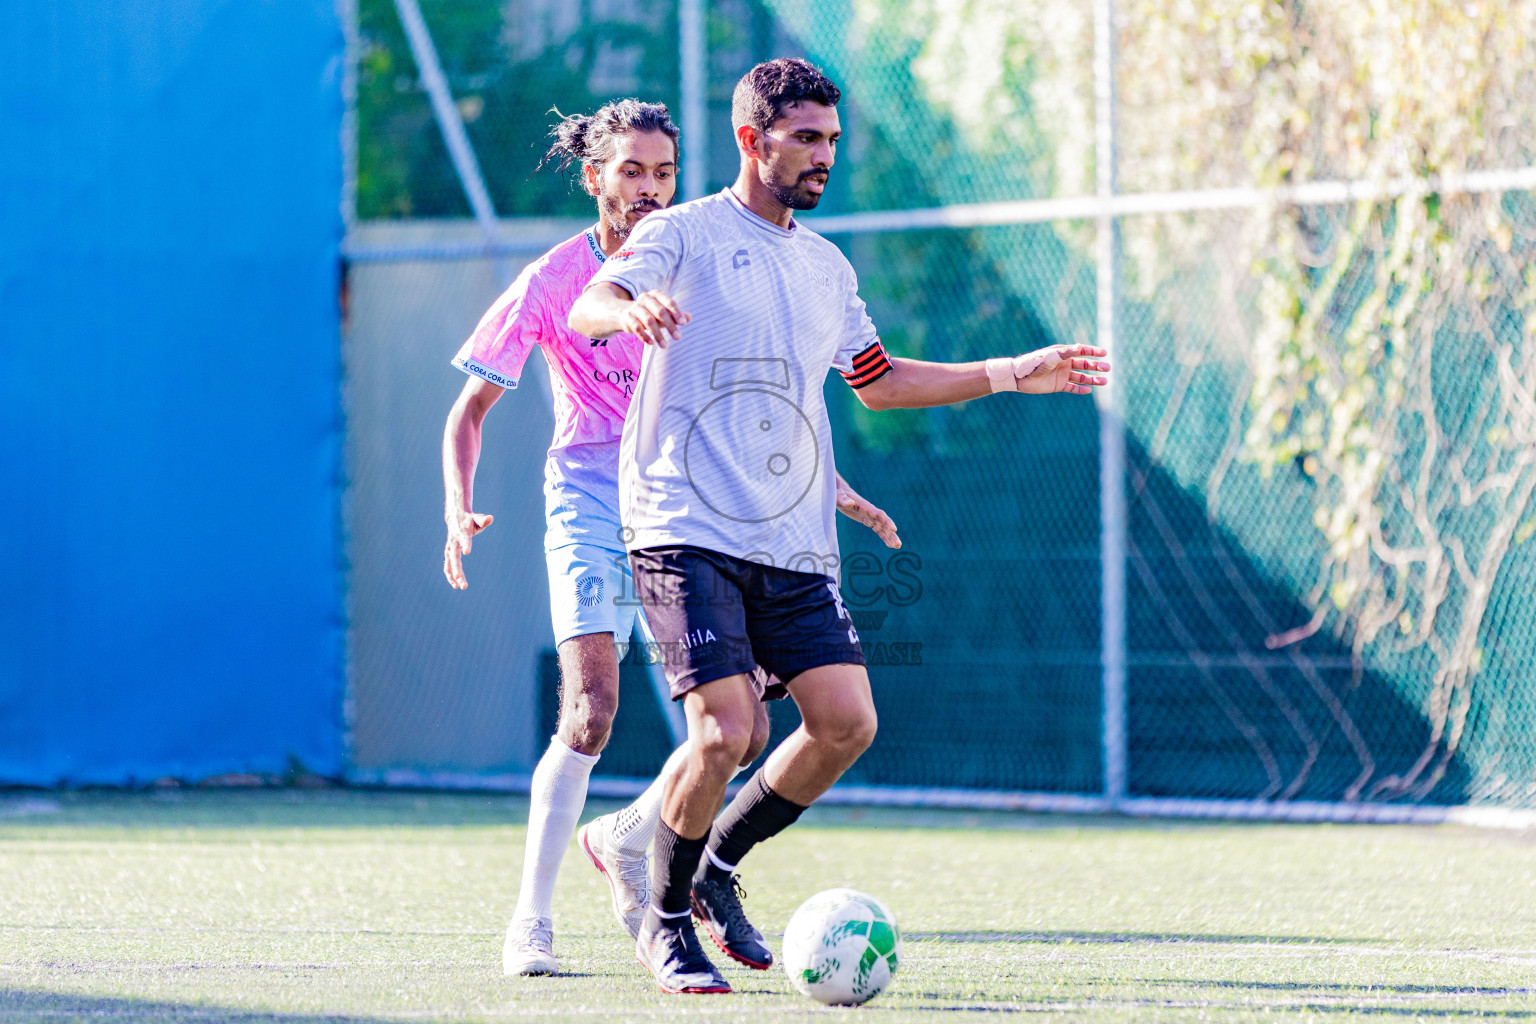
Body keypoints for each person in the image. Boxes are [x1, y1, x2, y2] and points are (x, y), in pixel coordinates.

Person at [568, 58, 1111, 994]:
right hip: (681, 524)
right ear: (752, 140)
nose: (824, 157)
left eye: (832, 140)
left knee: (847, 722)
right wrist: (629, 306)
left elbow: (880, 380)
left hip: (791, 540)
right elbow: (591, 304)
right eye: (806, 139)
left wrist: (1012, 370)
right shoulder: (681, 233)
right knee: (723, 733)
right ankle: (662, 920)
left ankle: (714, 868)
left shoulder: (827, 266)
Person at [441, 98, 900, 978]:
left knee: (747, 719)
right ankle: (531, 923)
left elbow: (753, 397)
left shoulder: (702, 249)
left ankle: (632, 837)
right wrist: (456, 506)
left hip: (697, 502)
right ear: (594, 178)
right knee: (592, 712)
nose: (650, 189)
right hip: (592, 503)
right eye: (631, 172)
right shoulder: (553, 279)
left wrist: (826, 484)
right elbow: (473, 406)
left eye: (663, 172)